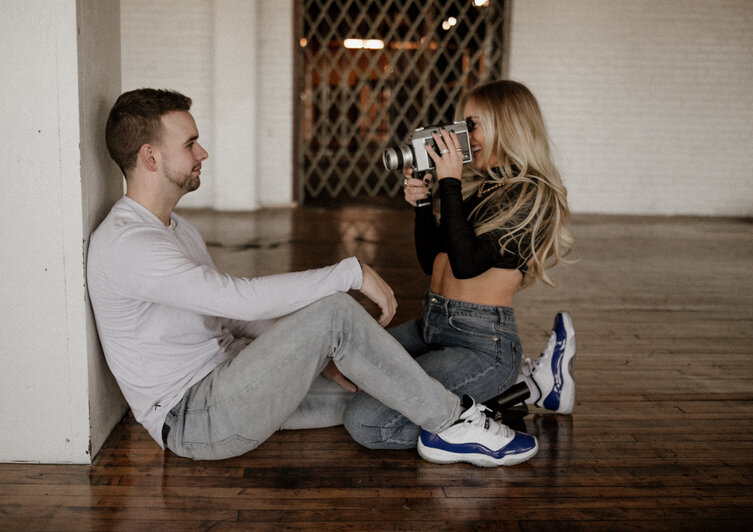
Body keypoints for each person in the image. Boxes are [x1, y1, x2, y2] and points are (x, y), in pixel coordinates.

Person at [87, 88, 539, 467]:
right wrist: (349, 272)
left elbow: (232, 319)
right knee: (334, 313)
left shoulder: (175, 229)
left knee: (376, 394)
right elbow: (238, 302)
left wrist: (317, 356)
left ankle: (504, 399)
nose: (202, 151)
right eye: (190, 143)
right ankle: (454, 425)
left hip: (237, 379)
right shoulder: (131, 244)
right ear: (150, 156)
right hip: (197, 416)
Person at [343, 80, 576, 450]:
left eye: (473, 125)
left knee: (368, 424)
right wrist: (423, 204)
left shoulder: (532, 194)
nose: (465, 137)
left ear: (508, 124)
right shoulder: (481, 186)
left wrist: (449, 182)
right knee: (351, 368)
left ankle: (483, 417)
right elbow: (432, 259)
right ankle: (517, 393)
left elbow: (467, 266)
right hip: (432, 325)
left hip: (481, 345)